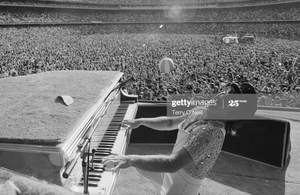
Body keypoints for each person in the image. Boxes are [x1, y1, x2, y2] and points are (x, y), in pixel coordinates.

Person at [102, 83, 257, 195]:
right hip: (174, 177)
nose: (221, 95)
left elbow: (173, 163)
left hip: (182, 189)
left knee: (137, 162)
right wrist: (141, 121)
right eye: (226, 92)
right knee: (141, 165)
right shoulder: (200, 111)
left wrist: (130, 159)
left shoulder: (213, 132)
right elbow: (170, 122)